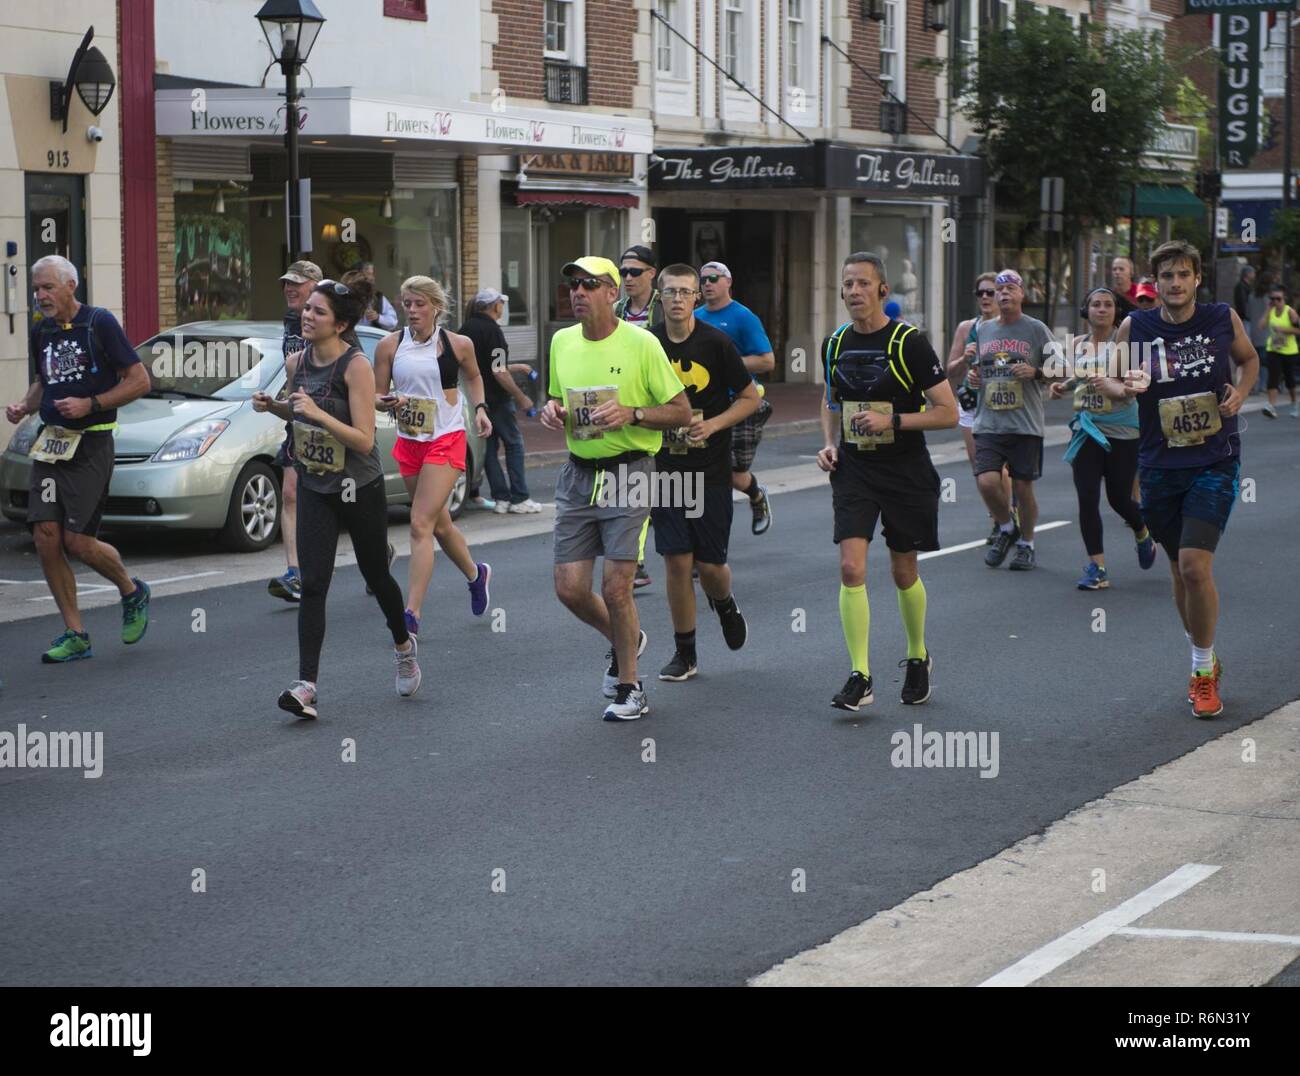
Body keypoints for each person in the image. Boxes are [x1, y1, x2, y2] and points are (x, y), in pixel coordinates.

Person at [1102, 240, 1257, 719]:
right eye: (1167, 275)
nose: (1175, 283)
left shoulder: (1220, 318)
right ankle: (1203, 655)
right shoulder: (1136, 326)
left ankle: (1202, 669)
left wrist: (1241, 394)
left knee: (1194, 566)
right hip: (1158, 464)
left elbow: (1248, 360)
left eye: (1183, 275)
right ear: (1157, 281)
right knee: (1176, 570)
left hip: (1215, 458)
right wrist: (1121, 386)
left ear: (1196, 279)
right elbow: (1105, 381)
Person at [252, 277, 419, 718]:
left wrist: (317, 413)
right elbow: (299, 406)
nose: (307, 315)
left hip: (357, 484)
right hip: (314, 483)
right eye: (307, 308)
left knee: (375, 573)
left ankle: (403, 645)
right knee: (314, 583)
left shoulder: (356, 366)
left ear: (341, 324)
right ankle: (307, 685)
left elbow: (365, 441)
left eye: (318, 311)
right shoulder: (296, 362)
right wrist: (275, 407)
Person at [538, 255, 690, 721]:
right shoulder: (562, 342)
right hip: (579, 474)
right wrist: (552, 412)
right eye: (573, 286)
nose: (577, 293)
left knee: (617, 587)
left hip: (631, 472)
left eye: (589, 285)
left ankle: (631, 687)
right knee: (569, 588)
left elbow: (681, 411)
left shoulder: (642, 344)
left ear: (612, 294)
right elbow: (557, 398)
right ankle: (627, 640)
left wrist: (633, 413)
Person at [816, 252, 958, 711]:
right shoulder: (834, 343)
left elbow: (947, 413)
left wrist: (893, 420)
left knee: (903, 572)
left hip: (905, 470)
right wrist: (829, 442)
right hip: (855, 470)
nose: (854, 291)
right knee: (851, 568)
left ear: (882, 291)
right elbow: (830, 400)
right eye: (847, 284)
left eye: (863, 283)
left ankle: (917, 655)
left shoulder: (909, 343)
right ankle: (861, 675)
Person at [5, 255, 152, 663]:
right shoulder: (42, 330)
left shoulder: (100, 322)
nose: (40, 296)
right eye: (36, 289)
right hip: (51, 442)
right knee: (45, 538)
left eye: (47, 287)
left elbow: (139, 380)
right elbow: (43, 381)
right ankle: (76, 633)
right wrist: (24, 406)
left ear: (71, 285)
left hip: (91, 442)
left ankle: (132, 590)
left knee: (79, 542)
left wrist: (92, 403)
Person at [648, 264, 760, 681]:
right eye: (670, 291)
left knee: (710, 567)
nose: (677, 298)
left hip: (710, 470)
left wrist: (713, 424)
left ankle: (725, 601)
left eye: (685, 291)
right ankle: (685, 653)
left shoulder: (717, 343)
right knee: (676, 561)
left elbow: (749, 398)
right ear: (659, 296)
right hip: (666, 470)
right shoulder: (648, 344)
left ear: (697, 297)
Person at [374, 276, 494, 637]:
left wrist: (482, 409)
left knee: (419, 524)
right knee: (439, 525)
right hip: (410, 440)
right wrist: (389, 401)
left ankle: (411, 613)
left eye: (419, 304)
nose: (411, 310)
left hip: (446, 438)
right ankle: (476, 575)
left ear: (436, 307)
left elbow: (473, 377)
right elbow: (376, 394)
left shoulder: (457, 344)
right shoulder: (388, 346)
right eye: (406, 304)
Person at [1048, 287, 1156, 589]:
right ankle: (1097, 567)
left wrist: (1122, 388)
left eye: (1108, 304)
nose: (1102, 309)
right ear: (1086, 310)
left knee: (1119, 499)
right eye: (1095, 304)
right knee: (1087, 497)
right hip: (1086, 430)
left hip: (1122, 430)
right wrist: (1063, 387)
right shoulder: (1079, 344)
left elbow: (1136, 382)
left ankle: (1142, 530)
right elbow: (1080, 376)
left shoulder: (1125, 344)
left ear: (1115, 311)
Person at [967, 269, 1054, 571]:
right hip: (988, 421)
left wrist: (1037, 372)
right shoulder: (985, 329)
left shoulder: (1035, 329)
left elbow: (1063, 369)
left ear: (1021, 294)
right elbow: (980, 368)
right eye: (997, 290)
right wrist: (974, 376)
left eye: (1009, 288)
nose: (1002, 294)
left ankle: (1026, 545)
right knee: (987, 481)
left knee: (1023, 488)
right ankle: (1006, 527)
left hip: (1024, 423)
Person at [695, 261, 776, 536]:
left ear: (728, 282)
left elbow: (766, 361)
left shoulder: (743, 317)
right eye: (703, 279)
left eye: (714, 278)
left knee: (732, 471)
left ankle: (756, 495)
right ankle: (701, 541)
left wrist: (726, 364)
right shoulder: (694, 316)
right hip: (703, 405)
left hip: (740, 403)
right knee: (702, 469)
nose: (707, 283)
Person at [458, 287, 542, 513]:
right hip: (497, 398)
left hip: (476, 399)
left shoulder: (466, 329)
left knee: (490, 448)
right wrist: (521, 397)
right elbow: (498, 371)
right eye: (501, 303)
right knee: (514, 444)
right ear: (495, 306)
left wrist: (515, 367)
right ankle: (519, 498)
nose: (502, 307)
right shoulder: (492, 331)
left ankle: (501, 498)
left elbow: (484, 366)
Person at [268, 260, 322, 604]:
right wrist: (280, 399)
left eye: (297, 283)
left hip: (332, 422)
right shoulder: (291, 322)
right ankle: (295, 573)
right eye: (287, 283)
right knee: (290, 494)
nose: (289, 288)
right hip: (299, 422)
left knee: (349, 503)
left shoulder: (333, 319)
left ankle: (377, 552)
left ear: (315, 286)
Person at [946, 271, 1012, 544]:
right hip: (972, 403)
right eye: (980, 293)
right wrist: (965, 357)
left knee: (1000, 467)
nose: (985, 297)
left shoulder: (1011, 326)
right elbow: (949, 370)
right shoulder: (966, 328)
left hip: (1002, 403)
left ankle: (1006, 518)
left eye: (990, 292)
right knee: (980, 465)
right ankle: (999, 518)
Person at [614, 245, 665, 588]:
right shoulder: (616, 308)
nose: (627, 279)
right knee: (638, 486)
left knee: (667, 487)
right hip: (626, 406)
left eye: (634, 272)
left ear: (651, 273)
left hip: (663, 403)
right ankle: (639, 563)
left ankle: (691, 550)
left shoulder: (666, 305)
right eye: (623, 273)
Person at [1257, 285, 1299, 419]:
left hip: (1289, 351)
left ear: (1284, 298)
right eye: (1272, 299)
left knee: (1289, 381)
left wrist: (1284, 330)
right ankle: (1271, 406)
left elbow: (1298, 331)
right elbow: (1261, 326)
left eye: (1278, 299)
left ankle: (1295, 404)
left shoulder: (1290, 312)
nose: (1275, 301)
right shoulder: (1271, 311)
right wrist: (1267, 311)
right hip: (1273, 349)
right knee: (1272, 378)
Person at [356, 261, 399, 331]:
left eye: (372, 274)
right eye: (367, 274)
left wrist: (378, 317)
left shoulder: (379, 298)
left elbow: (393, 322)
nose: (372, 278)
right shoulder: (346, 297)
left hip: (373, 339)